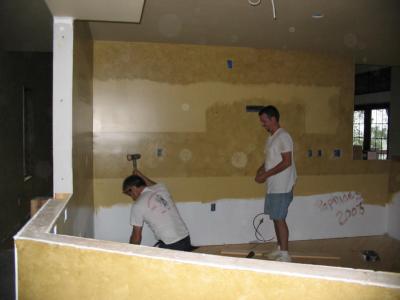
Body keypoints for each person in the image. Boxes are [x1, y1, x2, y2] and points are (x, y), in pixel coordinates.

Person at [255, 105, 297, 262]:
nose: (263, 124)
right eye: (261, 121)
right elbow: (270, 160)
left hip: (282, 185)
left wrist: (265, 174)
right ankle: (279, 249)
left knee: (280, 218)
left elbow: (287, 162)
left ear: (273, 119)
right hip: (273, 186)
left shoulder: (283, 136)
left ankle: (285, 255)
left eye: (264, 121)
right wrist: (260, 170)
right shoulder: (271, 138)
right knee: (275, 217)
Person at [122, 169, 194, 251]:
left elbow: (136, 237)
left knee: (147, 261)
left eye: (129, 193)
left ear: (134, 188)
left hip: (171, 246)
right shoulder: (161, 189)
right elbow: (154, 185)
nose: (132, 197)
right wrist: (140, 175)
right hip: (186, 240)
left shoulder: (138, 205)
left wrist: (129, 251)